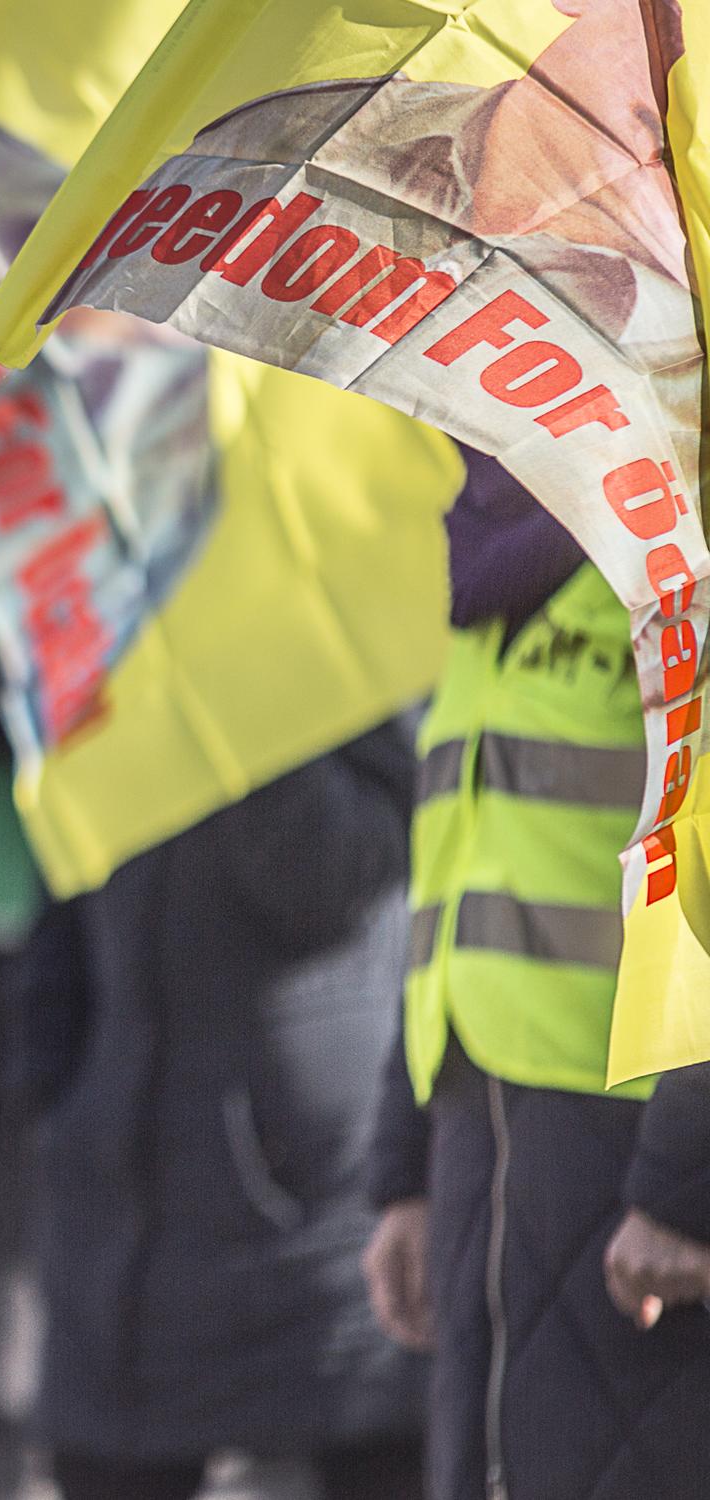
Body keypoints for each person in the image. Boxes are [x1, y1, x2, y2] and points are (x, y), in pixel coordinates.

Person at [362, 453, 710, 1500]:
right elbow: (451, 889)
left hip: (638, 1174)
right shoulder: (488, 580)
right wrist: (404, 1170)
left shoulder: (678, 553)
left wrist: (688, 1183)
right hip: (492, 1145)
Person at [29, 722, 428, 1500]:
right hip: (119, 1192)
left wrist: (231, 720)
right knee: (104, 1457)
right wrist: (50, 1087)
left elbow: (337, 888)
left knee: (372, 1455)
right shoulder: (128, 661)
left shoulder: (356, 660)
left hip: (310, 1200)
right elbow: (62, 884)